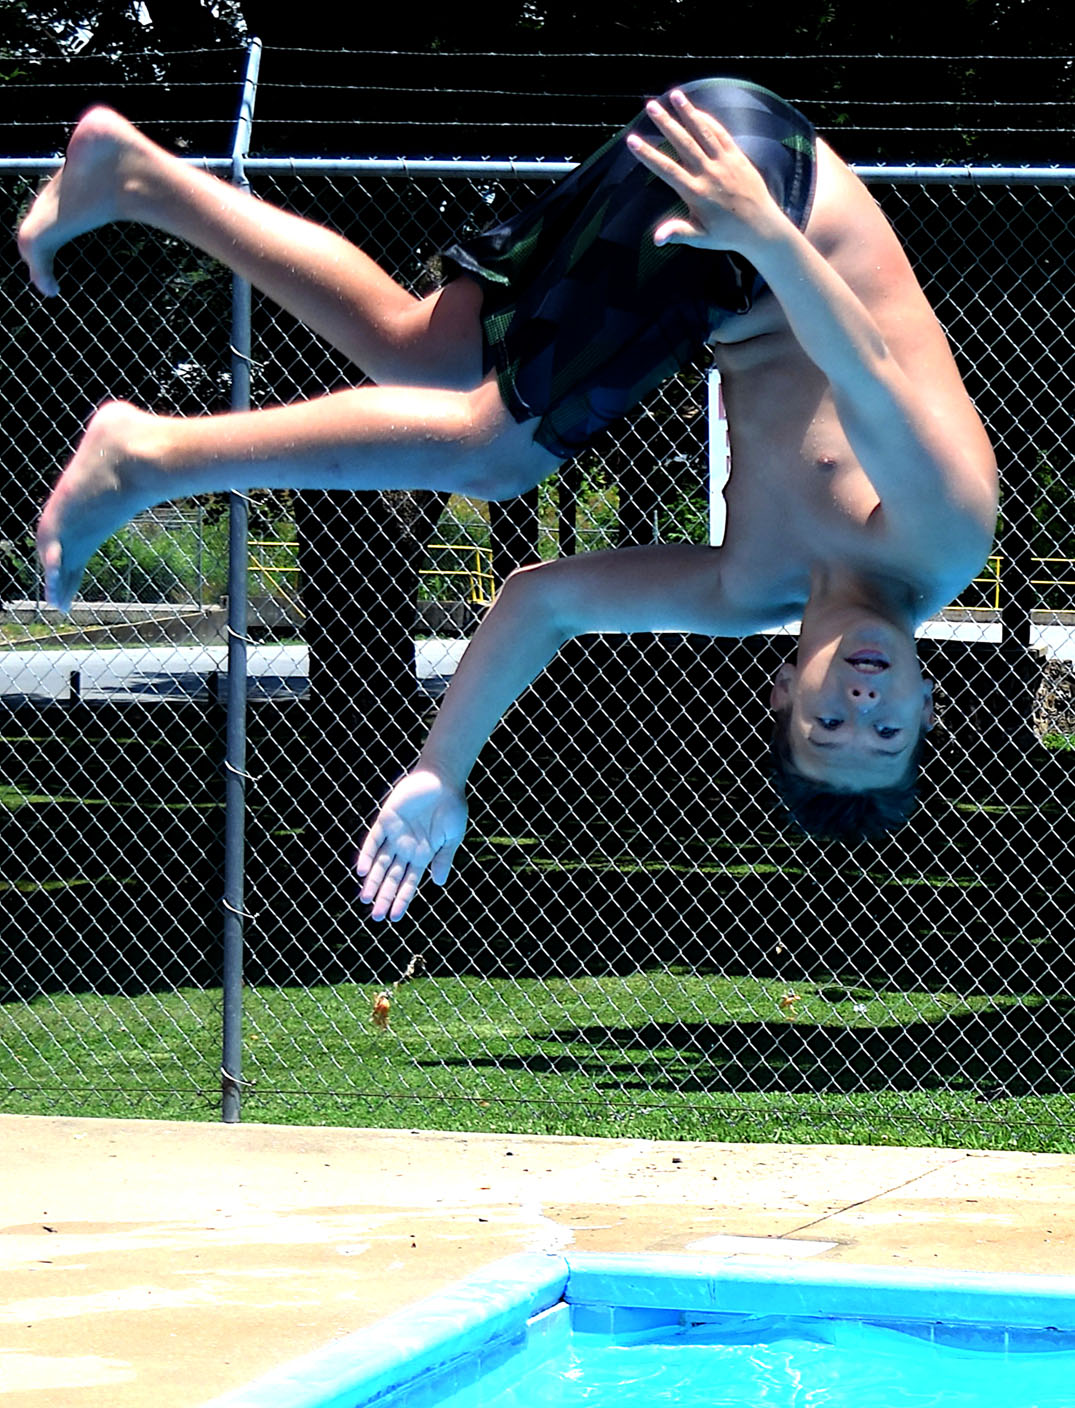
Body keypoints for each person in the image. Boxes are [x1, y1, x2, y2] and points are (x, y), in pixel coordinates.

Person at [18, 79, 998, 914]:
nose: (861, 703)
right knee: (492, 455)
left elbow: (541, 600)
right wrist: (764, 230)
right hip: (764, 200)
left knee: (422, 354)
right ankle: (148, 457)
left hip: (737, 230)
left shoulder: (748, 588)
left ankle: (133, 176)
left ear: (782, 692)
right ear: (924, 704)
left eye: (831, 727)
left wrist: (441, 768)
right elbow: (865, 370)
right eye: (885, 729)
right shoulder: (939, 537)